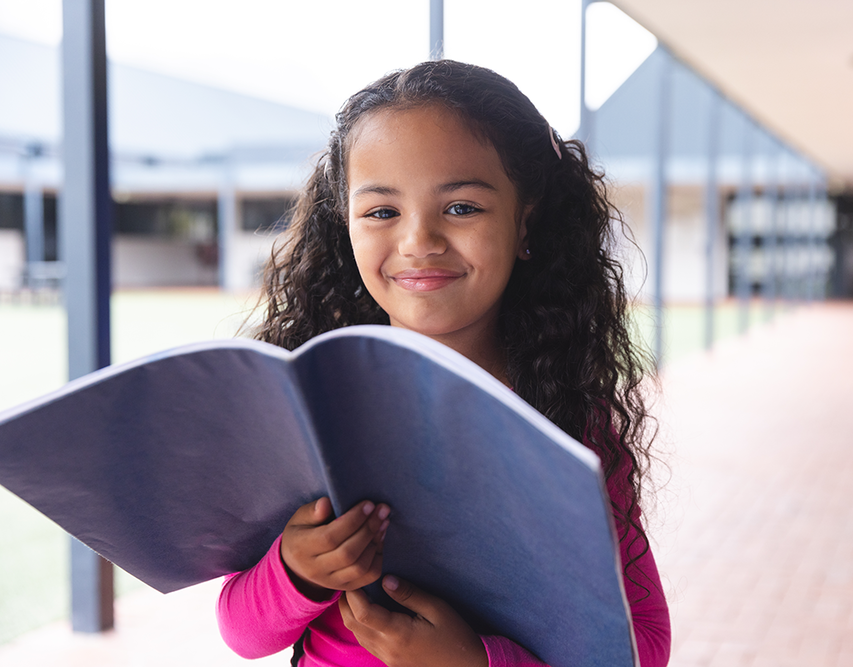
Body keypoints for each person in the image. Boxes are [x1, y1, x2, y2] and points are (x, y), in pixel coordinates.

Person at [217, 59, 671, 667]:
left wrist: (477, 662)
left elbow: (643, 645)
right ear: (344, 224)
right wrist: (296, 570)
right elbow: (242, 633)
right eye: (382, 212)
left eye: (461, 207)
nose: (418, 241)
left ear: (525, 218)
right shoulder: (312, 412)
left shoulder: (567, 418)